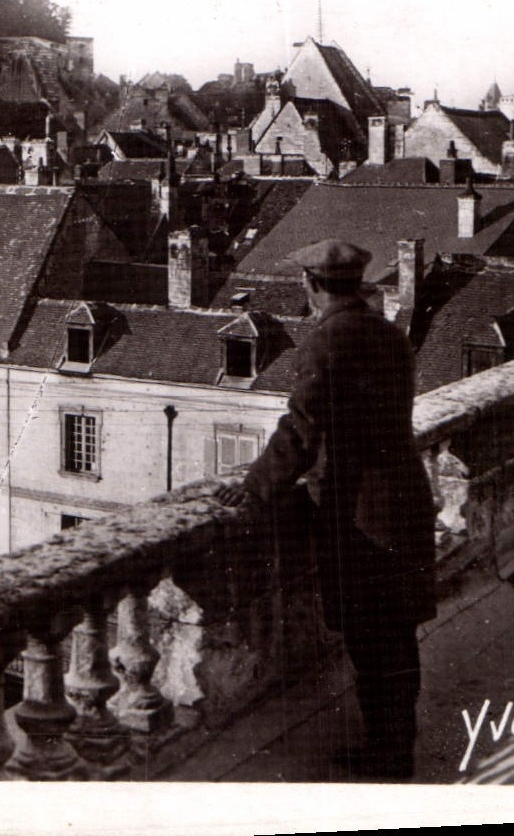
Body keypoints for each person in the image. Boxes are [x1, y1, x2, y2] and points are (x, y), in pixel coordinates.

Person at [218, 239, 437, 780]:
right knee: (398, 638)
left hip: (362, 514)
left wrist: (252, 488)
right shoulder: (390, 335)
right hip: (405, 499)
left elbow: (300, 431)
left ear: (311, 284)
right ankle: (397, 745)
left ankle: (387, 757)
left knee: (372, 642)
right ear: (357, 282)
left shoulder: (325, 342)